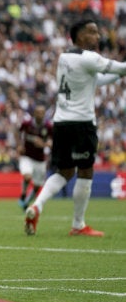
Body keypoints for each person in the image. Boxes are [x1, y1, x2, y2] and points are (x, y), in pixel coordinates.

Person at [24, 19, 126, 237]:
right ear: (79, 35)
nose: (97, 36)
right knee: (85, 171)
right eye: (92, 32)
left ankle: (37, 206)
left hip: (61, 123)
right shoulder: (89, 58)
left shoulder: (65, 57)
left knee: (64, 171)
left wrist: (119, 74)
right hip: (82, 124)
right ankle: (78, 224)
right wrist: (121, 71)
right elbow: (119, 68)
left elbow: (95, 81)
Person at [16, 105, 52, 211]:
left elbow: (51, 141)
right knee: (27, 177)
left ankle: (26, 202)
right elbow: (18, 133)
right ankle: (23, 194)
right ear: (34, 114)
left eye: (42, 113)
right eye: (38, 112)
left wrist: (44, 144)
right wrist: (19, 145)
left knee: (37, 186)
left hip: (40, 160)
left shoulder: (48, 126)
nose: (40, 115)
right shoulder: (27, 124)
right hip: (26, 156)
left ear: (44, 114)